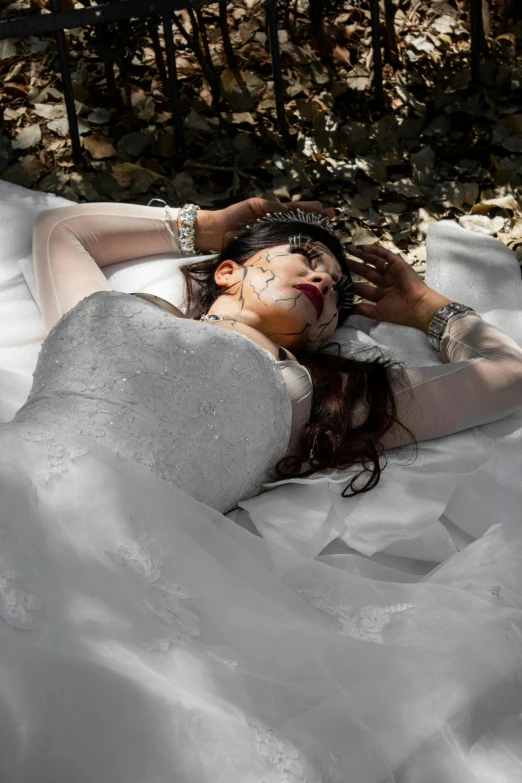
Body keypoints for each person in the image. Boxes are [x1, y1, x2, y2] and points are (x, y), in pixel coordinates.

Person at [0, 198, 522, 782]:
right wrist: (217, 223)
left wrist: (425, 307)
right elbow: (60, 230)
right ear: (227, 270)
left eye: (337, 290)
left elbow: (508, 375)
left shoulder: (314, 394)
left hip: (119, 562)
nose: (323, 276)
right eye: (302, 256)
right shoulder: (119, 308)